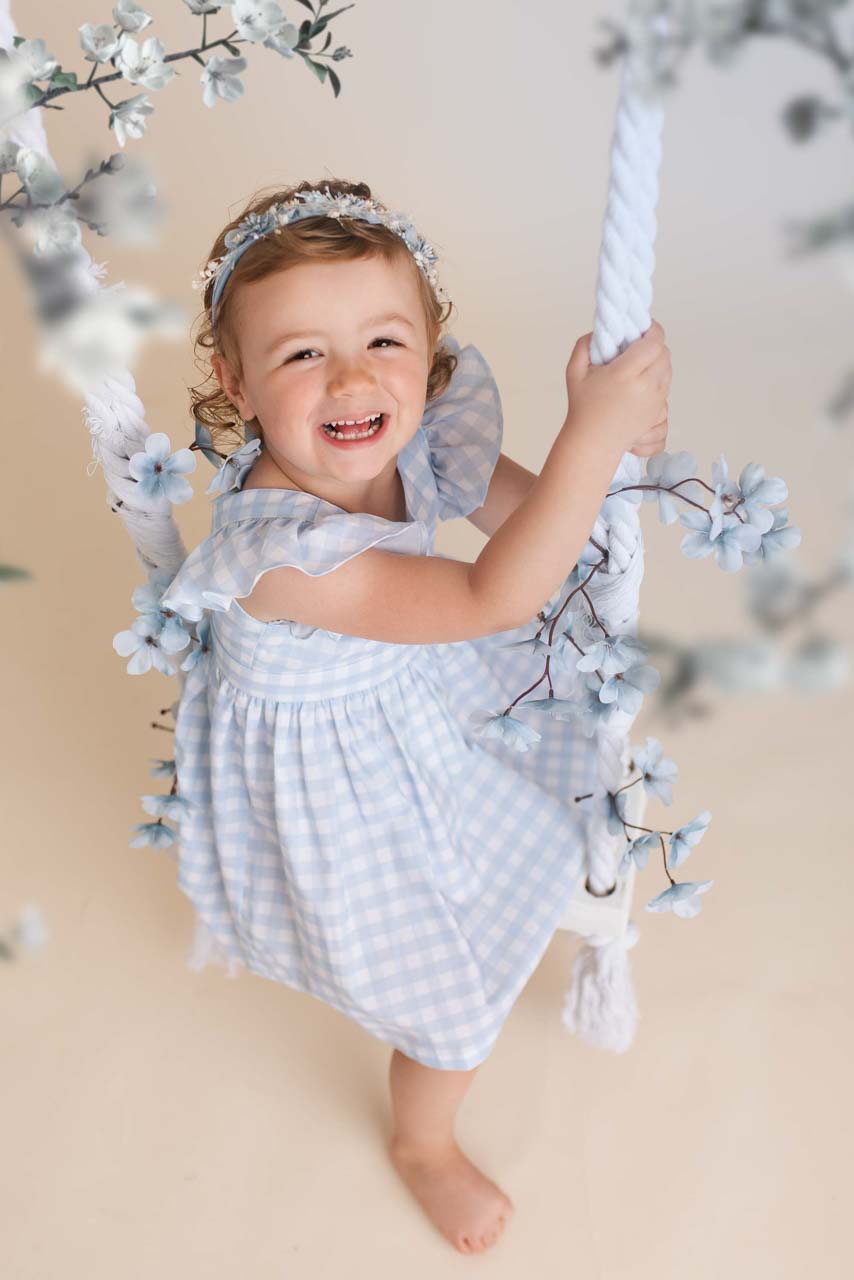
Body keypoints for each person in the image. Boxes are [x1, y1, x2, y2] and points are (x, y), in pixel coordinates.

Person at [162, 177, 671, 1255]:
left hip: (413, 697)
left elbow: (547, 529)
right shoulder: (282, 556)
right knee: (442, 999)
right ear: (234, 381)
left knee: (529, 818)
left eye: (383, 340)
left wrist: (604, 445)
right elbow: (493, 595)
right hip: (333, 784)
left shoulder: (413, 430)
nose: (350, 377)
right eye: (300, 353)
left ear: (429, 349)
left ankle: (503, 908)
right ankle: (423, 1141)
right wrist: (593, 428)